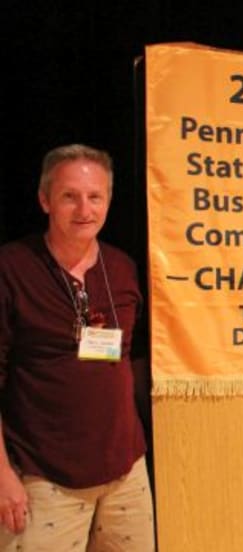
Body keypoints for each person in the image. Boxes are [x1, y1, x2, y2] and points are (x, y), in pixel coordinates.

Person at [0, 144, 155, 551]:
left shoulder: (122, 268)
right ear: (44, 200)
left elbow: (133, 362)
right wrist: (1, 475)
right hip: (43, 478)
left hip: (126, 473)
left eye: (95, 197)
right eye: (70, 196)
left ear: (109, 201)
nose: (84, 209)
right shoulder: (12, 268)